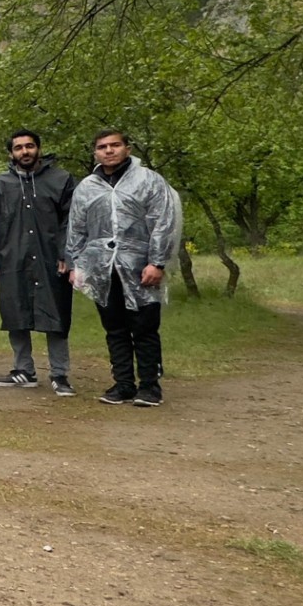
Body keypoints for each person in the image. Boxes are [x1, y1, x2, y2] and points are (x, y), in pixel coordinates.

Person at [66, 130, 181, 407]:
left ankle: (150, 386)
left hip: (141, 266)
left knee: (144, 326)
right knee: (114, 328)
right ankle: (123, 383)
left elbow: (164, 222)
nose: (109, 151)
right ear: (95, 152)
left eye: (115, 145)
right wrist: (75, 265)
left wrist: (157, 262)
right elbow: (76, 229)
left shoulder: (149, 181)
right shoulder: (87, 187)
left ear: (127, 148)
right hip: (102, 269)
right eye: (102, 147)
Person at [0, 130, 77, 395]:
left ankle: (60, 374)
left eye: (30, 146)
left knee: (55, 315)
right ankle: (24, 369)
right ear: (11, 153)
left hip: (51, 259)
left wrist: (66, 254)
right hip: (13, 257)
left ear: (39, 148)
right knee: (16, 313)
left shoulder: (61, 180)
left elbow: (71, 221)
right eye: (19, 148)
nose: (25, 152)